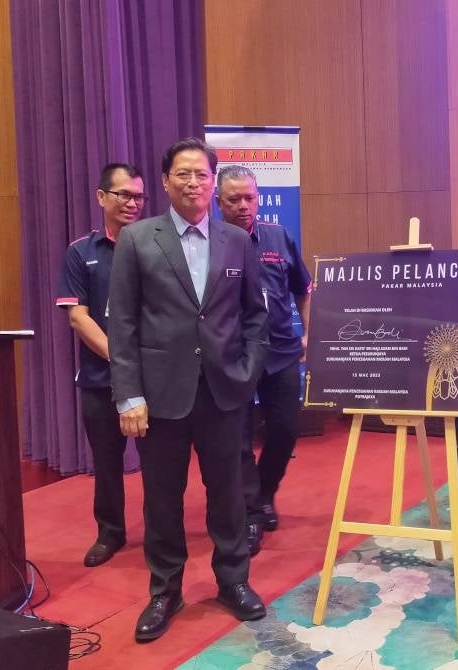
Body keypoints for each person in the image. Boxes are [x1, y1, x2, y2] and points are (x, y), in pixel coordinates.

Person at [108, 138, 270, 642]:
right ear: (165, 181)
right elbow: (124, 324)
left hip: (224, 392)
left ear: (212, 180)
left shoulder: (237, 240)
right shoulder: (138, 239)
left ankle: (233, 581)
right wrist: (128, 395)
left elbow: (255, 315)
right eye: (183, 174)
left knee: (228, 495)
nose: (193, 182)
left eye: (201, 174)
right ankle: (165, 590)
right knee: (162, 498)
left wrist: (246, 371)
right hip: (160, 396)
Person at [215, 165, 311, 555]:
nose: (243, 205)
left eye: (249, 197)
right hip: (233, 356)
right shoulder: (211, 243)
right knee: (236, 437)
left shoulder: (278, 236)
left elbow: (303, 289)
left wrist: (309, 334)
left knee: (285, 429)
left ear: (258, 198)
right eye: (233, 198)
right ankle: (252, 512)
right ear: (218, 202)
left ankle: (265, 491)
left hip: (282, 351)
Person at [56, 163, 146, 568]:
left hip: (153, 379)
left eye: (138, 197)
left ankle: (163, 532)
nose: (132, 202)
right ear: (101, 197)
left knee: (160, 463)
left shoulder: (153, 245)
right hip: (99, 379)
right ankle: (110, 533)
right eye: (123, 194)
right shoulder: (81, 252)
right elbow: (78, 317)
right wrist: (123, 359)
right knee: (107, 462)